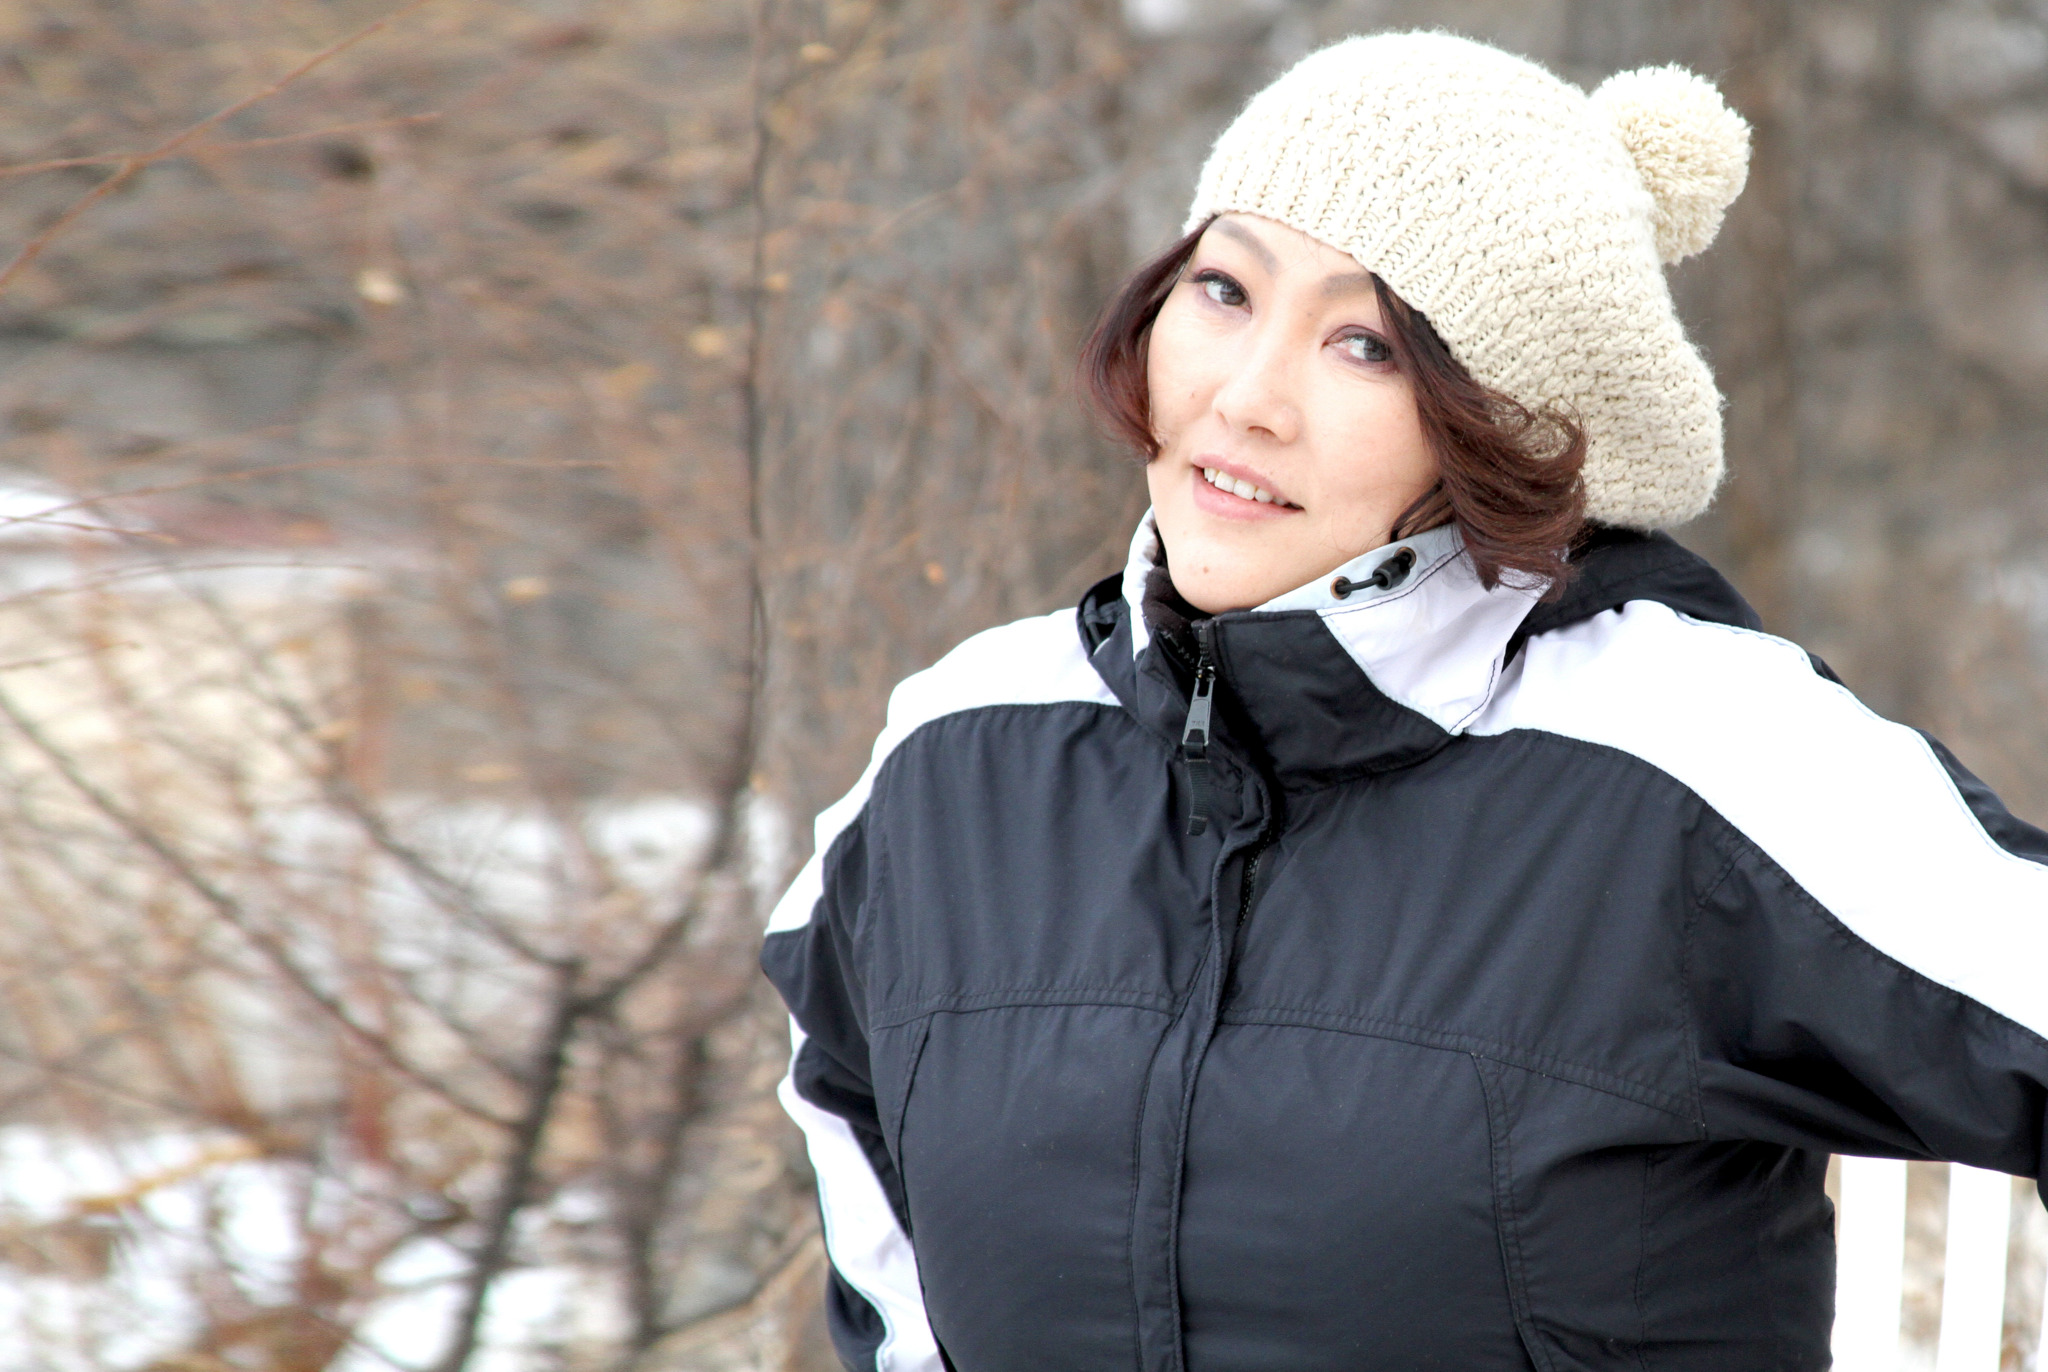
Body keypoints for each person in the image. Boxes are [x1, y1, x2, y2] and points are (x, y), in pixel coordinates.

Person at [760, 30, 2048, 1372]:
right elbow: (851, 1134)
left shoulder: (1694, 753)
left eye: (1365, 345)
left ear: (1495, 425)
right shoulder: (961, 753)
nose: (1246, 399)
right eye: (1222, 289)